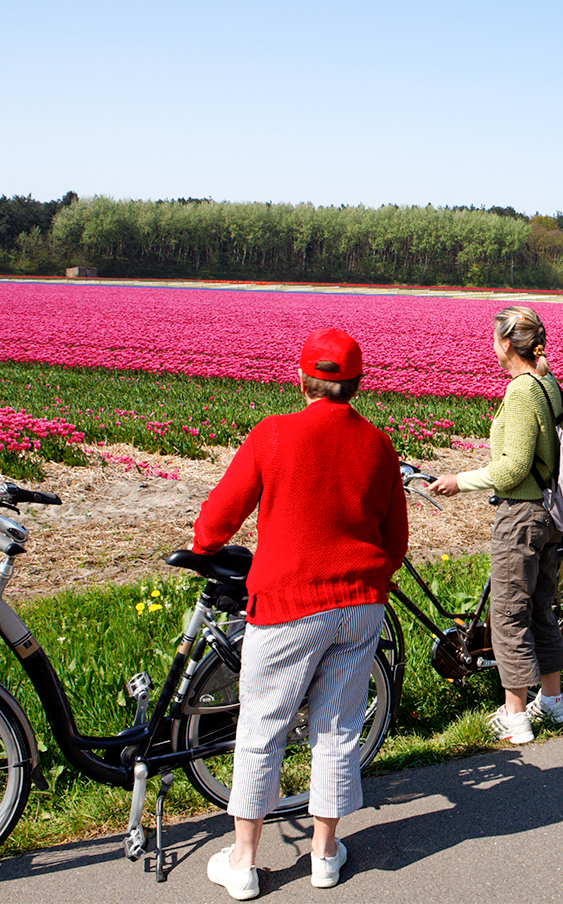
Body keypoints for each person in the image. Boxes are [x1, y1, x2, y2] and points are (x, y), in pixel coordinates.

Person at [195, 328, 408, 899]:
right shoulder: (379, 445)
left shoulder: (274, 434)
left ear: (300, 378)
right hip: (360, 605)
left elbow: (220, 514)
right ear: (357, 385)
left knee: (262, 728)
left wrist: (204, 544)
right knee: (336, 731)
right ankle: (324, 856)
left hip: (288, 604)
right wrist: (368, 581)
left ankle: (243, 862)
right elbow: (397, 540)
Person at [427, 304, 563, 744]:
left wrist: (458, 481)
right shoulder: (548, 382)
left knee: (508, 614)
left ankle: (515, 716)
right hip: (549, 514)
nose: (492, 345)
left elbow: (511, 470)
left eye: (494, 338)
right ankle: (553, 703)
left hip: (521, 516)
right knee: (541, 608)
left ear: (507, 344)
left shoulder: (523, 390)